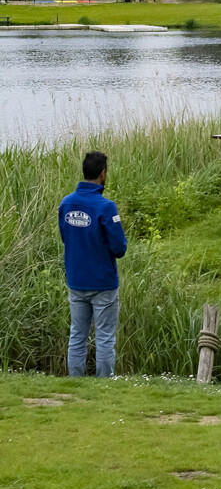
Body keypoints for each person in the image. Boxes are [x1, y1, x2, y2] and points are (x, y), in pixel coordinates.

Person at [59, 151, 127, 377]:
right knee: (105, 337)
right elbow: (119, 248)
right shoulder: (106, 207)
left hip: (76, 280)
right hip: (103, 283)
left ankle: (74, 383)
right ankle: (104, 384)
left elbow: (66, 237)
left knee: (77, 335)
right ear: (102, 174)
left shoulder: (66, 203)